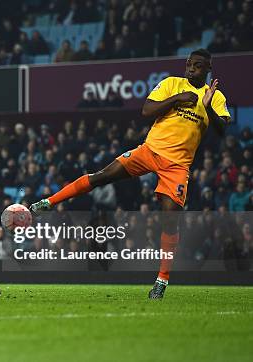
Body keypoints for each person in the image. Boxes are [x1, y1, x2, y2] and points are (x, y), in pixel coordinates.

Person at [30, 49, 231, 299]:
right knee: (102, 175)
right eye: (189, 64)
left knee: (171, 218)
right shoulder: (171, 84)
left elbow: (223, 131)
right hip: (149, 150)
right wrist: (177, 98)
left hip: (177, 166)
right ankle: (47, 203)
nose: (191, 69)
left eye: (198, 66)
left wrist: (208, 107)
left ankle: (161, 281)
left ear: (208, 69)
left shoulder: (216, 96)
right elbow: (146, 111)